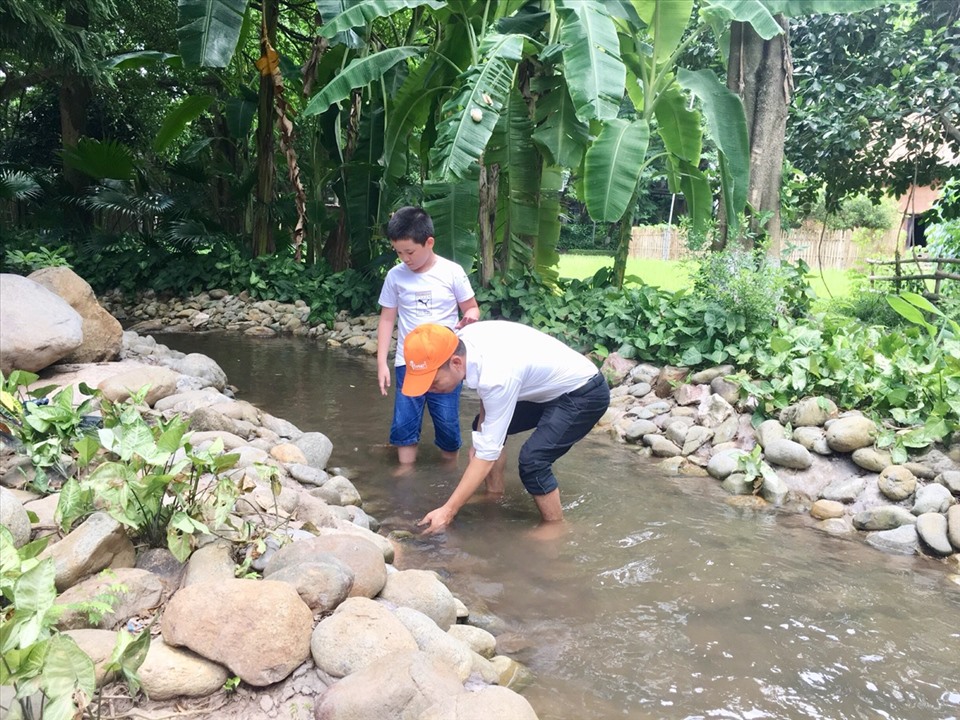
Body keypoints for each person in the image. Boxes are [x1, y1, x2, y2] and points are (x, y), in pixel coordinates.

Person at [399, 320, 610, 534]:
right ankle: (495, 494)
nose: (431, 391)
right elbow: (487, 404)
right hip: (546, 390)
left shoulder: (496, 375)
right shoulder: (463, 342)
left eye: (433, 382)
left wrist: (448, 511)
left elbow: (488, 451)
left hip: (584, 394)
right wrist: (482, 438)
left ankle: (555, 526)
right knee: (481, 428)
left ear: (455, 363)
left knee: (533, 460)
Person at [377, 206, 480, 467]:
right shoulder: (395, 276)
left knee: (447, 421)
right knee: (404, 420)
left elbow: (471, 307)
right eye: (398, 252)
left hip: (445, 363)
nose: (404, 259)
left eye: (410, 252)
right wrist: (381, 363)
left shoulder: (451, 272)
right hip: (408, 362)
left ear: (429, 242)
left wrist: (471, 318)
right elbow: (387, 318)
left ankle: (448, 471)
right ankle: (405, 473)